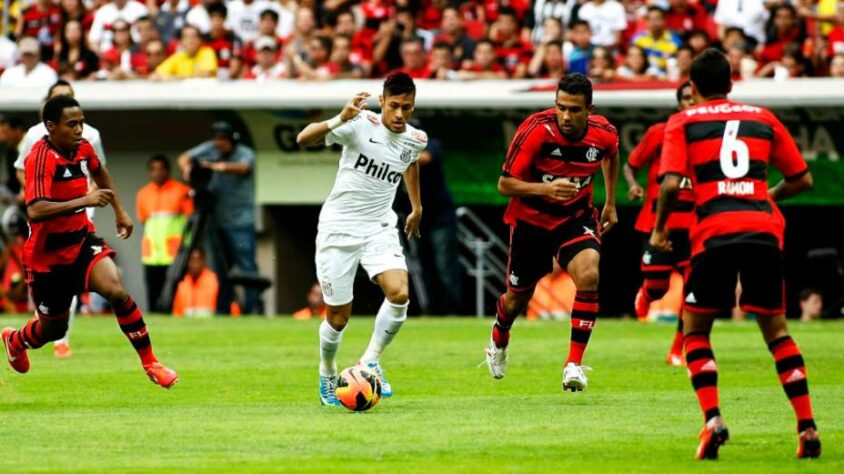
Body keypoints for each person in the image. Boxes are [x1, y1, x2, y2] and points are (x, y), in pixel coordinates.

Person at [651, 48, 820, 460]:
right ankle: (807, 426)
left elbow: (671, 184)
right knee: (777, 332)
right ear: (731, 84)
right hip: (763, 230)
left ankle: (712, 421)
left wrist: (658, 231)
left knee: (695, 332)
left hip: (714, 233)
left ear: (692, 86)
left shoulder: (681, 121)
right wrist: (766, 196)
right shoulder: (762, 118)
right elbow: (802, 179)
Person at [1, 95, 178, 388]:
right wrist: (84, 199)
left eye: (81, 122)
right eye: (72, 124)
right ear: (51, 126)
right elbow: (35, 209)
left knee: (116, 291)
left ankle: (151, 363)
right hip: (47, 257)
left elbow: (100, 172)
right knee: (53, 330)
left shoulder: (83, 148)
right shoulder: (39, 157)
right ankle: (15, 340)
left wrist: (120, 212)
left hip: (82, 241)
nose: (80, 130)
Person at [295, 72, 426, 406]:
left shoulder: (416, 138)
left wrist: (416, 206)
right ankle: (327, 373)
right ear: (382, 101)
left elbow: (409, 163)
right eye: (394, 106)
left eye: (407, 108)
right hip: (338, 229)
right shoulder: (359, 124)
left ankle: (369, 360)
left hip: (379, 227)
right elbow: (302, 138)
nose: (399, 115)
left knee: (399, 293)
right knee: (338, 317)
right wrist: (340, 117)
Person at [484, 73, 620, 392]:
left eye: (574, 109)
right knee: (517, 299)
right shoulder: (535, 130)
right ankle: (500, 336)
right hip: (531, 221)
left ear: (590, 109)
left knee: (589, 274)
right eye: (561, 107)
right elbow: (504, 184)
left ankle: (573, 364)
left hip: (575, 217)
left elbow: (611, 157)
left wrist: (611, 202)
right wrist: (544, 190)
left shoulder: (604, 134)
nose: (566, 116)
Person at [15, 79, 106, 358]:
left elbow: (99, 168)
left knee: (84, 276)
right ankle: (45, 327)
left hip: (81, 215)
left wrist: (99, 198)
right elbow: (21, 168)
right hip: (47, 216)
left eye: (70, 96)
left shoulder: (91, 135)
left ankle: (62, 339)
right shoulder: (34, 136)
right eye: (59, 97)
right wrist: (33, 192)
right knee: (49, 280)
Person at [623, 81, 696, 366]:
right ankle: (646, 292)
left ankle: (677, 350)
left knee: (693, 292)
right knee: (658, 288)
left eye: (694, 97)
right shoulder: (660, 133)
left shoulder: (709, 136)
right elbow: (631, 165)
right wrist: (632, 186)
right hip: (657, 225)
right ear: (679, 103)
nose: (691, 102)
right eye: (686, 98)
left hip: (693, 226)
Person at [178, 121, 262, 315]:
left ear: (232, 139)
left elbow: (243, 168)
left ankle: (252, 310)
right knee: (221, 269)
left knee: (246, 267)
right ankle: (224, 310)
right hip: (216, 220)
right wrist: (187, 168)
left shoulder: (244, 153)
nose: (219, 144)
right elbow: (185, 157)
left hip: (240, 220)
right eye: (216, 139)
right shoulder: (211, 148)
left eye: (223, 140)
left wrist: (216, 166)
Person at [136, 154, 193, 312]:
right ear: (149, 172)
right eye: (153, 169)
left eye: (161, 169)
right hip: (151, 254)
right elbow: (143, 220)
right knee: (153, 294)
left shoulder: (182, 191)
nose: (157, 173)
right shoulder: (143, 193)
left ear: (168, 170)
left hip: (174, 253)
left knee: (174, 296)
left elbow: (190, 221)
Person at [172, 248, 218, 318]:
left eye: (197, 261)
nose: (193, 265)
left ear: (203, 261)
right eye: (191, 261)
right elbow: (176, 314)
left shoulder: (212, 280)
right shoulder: (183, 283)